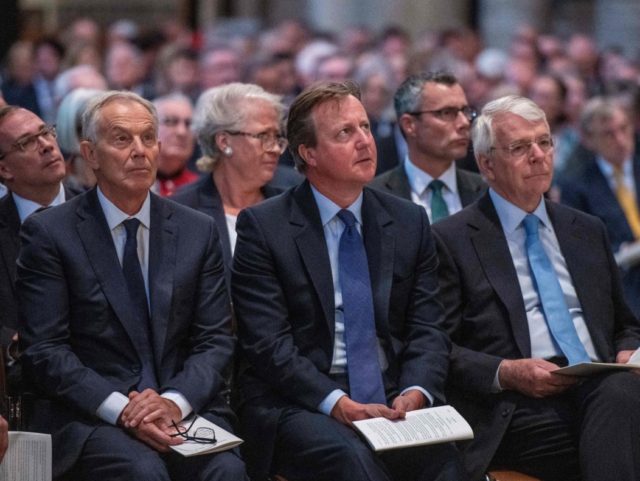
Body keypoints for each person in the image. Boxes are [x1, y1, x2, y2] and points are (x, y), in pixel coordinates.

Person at [231, 80, 468, 481]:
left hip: (393, 393)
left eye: (365, 127)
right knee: (353, 462)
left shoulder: (408, 220)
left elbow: (428, 326)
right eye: (345, 133)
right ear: (308, 153)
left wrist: (416, 391)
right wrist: (338, 402)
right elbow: (268, 345)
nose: (364, 142)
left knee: (446, 465)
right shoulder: (264, 227)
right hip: (303, 399)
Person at [17, 91, 246, 481]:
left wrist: (173, 402)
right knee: (142, 472)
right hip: (92, 414)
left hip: (181, 408)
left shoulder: (196, 230)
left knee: (225, 470)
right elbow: (46, 351)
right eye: (122, 139)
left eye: (148, 138)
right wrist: (122, 409)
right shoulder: (50, 234)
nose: (139, 151)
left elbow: (215, 340)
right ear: (90, 154)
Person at [432, 95, 640, 481]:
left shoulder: (586, 229)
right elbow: (436, 345)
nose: (538, 155)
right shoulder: (452, 239)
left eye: (544, 142)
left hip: (602, 382)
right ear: (487, 164)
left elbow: (625, 324)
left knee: (619, 395)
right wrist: (507, 371)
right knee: (622, 411)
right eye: (519, 147)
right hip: (520, 404)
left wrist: (628, 349)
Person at [172, 83, 292, 281]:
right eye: (263, 136)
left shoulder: (291, 207)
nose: (275, 149)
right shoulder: (183, 213)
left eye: (276, 137)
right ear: (224, 142)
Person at [0, 106, 70, 389]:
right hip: (25, 386)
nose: (46, 145)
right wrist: (10, 343)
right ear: (4, 169)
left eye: (46, 132)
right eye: (27, 142)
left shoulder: (102, 213)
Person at [558, 97, 640, 317]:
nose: (621, 140)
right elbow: (582, 249)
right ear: (588, 140)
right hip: (622, 279)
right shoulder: (576, 186)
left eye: (623, 129)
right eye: (608, 134)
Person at [370, 72, 485, 223]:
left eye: (465, 111)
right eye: (447, 113)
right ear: (409, 125)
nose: (464, 123)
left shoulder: (488, 193)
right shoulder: (374, 198)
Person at [152, 94, 199, 197]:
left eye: (188, 124)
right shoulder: (134, 183)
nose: (181, 132)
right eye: (171, 122)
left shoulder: (202, 189)